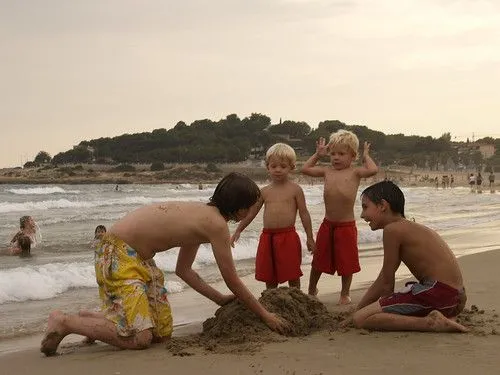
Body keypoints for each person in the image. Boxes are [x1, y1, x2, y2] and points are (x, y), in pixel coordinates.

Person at [40, 172, 289, 356]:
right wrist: (265, 315)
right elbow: (232, 278)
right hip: (117, 253)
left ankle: (89, 319)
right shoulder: (216, 225)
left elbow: (184, 270)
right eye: (252, 206)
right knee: (141, 338)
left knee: (161, 332)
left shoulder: (205, 218)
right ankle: (64, 322)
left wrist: (219, 300)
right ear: (241, 209)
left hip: (139, 258)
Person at [352, 181, 468, 332]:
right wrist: (361, 307)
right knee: (361, 314)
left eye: (365, 207)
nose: (362, 215)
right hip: (456, 299)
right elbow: (384, 277)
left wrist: (379, 307)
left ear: (382, 205)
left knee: (360, 320)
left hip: (438, 293)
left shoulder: (392, 230)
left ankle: (431, 323)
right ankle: (445, 316)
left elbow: (387, 284)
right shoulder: (407, 227)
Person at [301, 130, 378, 304]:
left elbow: (373, 170)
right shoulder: (327, 171)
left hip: (346, 226)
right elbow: (305, 169)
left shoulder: (355, 172)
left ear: (352, 155)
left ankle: (345, 293)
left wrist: (365, 155)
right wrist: (317, 155)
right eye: (333, 153)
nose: (335, 157)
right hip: (328, 224)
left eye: (341, 154)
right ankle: (312, 289)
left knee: (347, 262)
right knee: (319, 259)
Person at [231, 143, 315, 290]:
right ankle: (272, 300)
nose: (278, 170)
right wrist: (238, 230)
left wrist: (309, 237)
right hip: (267, 237)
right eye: (274, 166)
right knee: (269, 275)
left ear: (292, 167)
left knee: (292, 273)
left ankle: (297, 298)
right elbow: (252, 213)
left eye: (283, 166)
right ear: (267, 167)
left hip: (288, 236)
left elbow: (304, 213)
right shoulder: (264, 191)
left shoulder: (295, 190)